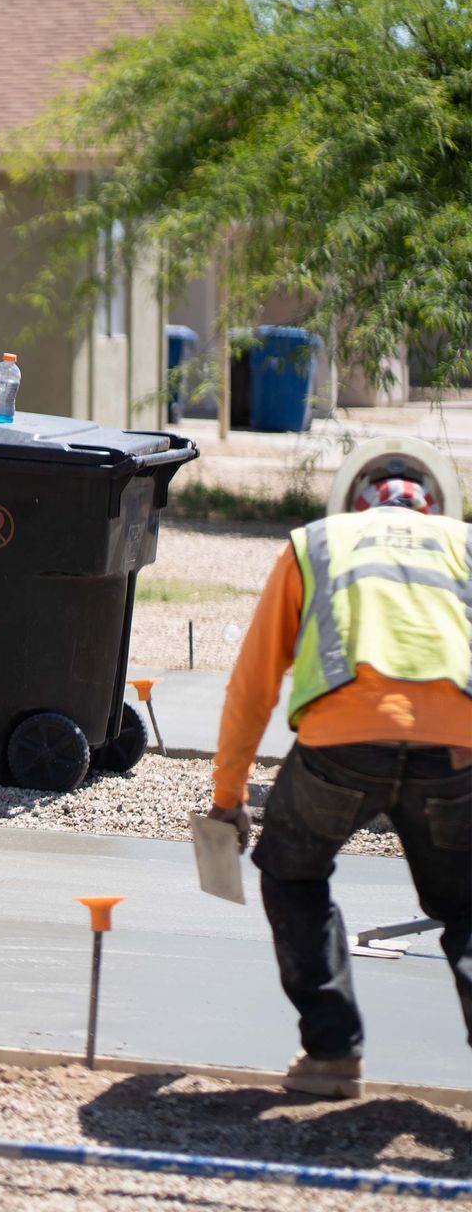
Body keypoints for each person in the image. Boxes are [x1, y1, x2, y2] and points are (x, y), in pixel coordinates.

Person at [211, 444, 471, 1098]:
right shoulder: (465, 548)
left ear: (357, 502)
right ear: (433, 503)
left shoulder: (314, 545)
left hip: (339, 748)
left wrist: (228, 798)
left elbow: (252, 687)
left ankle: (331, 1054)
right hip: (455, 751)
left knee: (293, 872)